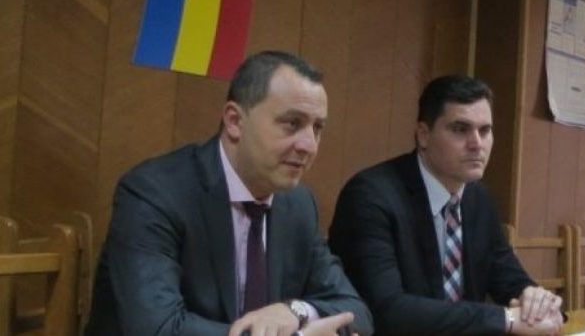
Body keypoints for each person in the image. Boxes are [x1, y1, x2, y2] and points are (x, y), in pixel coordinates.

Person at [85, 51, 373, 336]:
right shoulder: (156, 193)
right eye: (292, 123)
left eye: (318, 127)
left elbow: (356, 312)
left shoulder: (298, 205)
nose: (309, 145)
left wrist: (295, 311)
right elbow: (158, 328)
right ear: (234, 121)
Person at [329, 75, 564, 335]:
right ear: (424, 135)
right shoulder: (371, 196)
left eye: (485, 130)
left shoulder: (477, 197)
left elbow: (505, 273)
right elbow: (387, 310)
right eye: (460, 129)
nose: (477, 144)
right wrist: (505, 319)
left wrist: (533, 298)